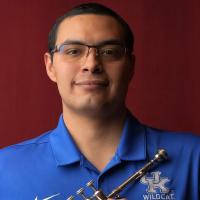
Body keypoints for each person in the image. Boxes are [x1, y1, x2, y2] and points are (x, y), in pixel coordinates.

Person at [0, 2, 199, 200]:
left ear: (130, 66)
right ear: (50, 66)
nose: (92, 64)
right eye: (73, 51)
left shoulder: (194, 157)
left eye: (109, 51)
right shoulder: (5, 169)